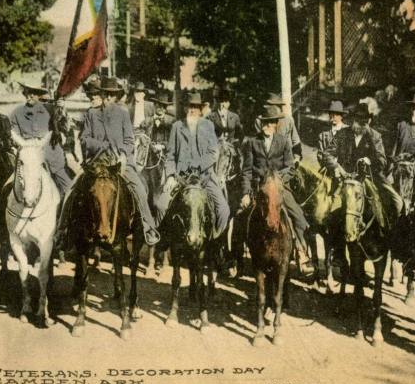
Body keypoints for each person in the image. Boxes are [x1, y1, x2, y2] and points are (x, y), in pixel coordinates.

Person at [60, 76, 158, 245]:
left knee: (140, 188)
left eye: (112, 95)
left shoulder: (123, 114)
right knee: (71, 188)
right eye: (105, 94)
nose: (108, 98)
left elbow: (128, 140)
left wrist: (122, 154)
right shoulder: (91, 114)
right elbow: (84, 139)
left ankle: (148, 227)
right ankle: (62, 230)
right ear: (102, 94)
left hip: (119, 162)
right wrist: (103, 145)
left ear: (116, 97)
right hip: (96, 162)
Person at [241, 105, 309, 253]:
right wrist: (246, 193)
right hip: (259, 188)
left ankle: (301, 251)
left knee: (298, 217)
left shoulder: (283, 141)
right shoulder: (252, 142)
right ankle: (236, 259)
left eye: (271, 122)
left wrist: (277, 180)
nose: (267, 125)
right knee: (240, 219)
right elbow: (246, 171)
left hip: (279, 187)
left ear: (276, 124)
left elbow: (290, 167)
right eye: (265, 122)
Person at [163, 92, 231, 238]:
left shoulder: (208, 126)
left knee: (223, 210)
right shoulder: (177, 126)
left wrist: (199, 165)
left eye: (195, 107)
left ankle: (213, 239)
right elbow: (170, 155)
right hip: (181, 178)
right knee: (160, 206)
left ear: (200, 110)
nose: (192, 110)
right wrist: (170, 176)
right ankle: (164, 244)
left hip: (205, 177)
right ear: (185, 108)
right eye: (189, 107)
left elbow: (213, 152)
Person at [326, 103, 403, 231]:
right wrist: (336, 167)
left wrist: (370, 161)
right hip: (344, 178)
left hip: (369, 177)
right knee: (328, 208)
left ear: (368, 121)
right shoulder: (343, 134)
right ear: (353, 120)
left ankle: (389, 233)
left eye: (364, 121)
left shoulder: (375, 136)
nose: (361, 124)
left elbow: (382, 160)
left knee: (397, 202)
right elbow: (327, 153)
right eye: (358, 120)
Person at [8, 83, 71, 196]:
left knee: (68, 188)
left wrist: (62, 109)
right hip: (28, 158)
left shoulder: (51, 109)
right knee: (11, 189)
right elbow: (14, 136)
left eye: (33, 93)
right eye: (27, 93)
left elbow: (65, 128)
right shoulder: (16, 113)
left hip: (52, 157)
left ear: (39, 95)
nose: (30, 96)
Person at [254, 93, 302, 160]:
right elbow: (260, 142)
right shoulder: (259, 120)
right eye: (273, 105)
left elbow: (295, 140)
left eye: (279, 106)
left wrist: (297, 157)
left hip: (287, 156)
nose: (277, 108)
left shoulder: (288, 119)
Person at [317, 100, 348, 170]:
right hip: (327, 169)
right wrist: (328, 164)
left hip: (344, 170)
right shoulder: (323, 134)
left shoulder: (348, 131)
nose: (333, 117)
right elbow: (320, 154)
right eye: (331, 114)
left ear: (341, 116)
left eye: (336, 114)